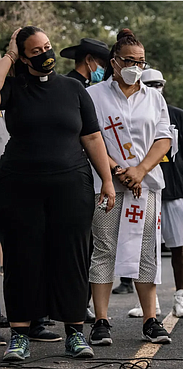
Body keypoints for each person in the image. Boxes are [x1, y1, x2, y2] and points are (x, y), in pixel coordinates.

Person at [0, 26, 116, 361]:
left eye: (47, 47)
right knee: (22, 258)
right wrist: (8, 56)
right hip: (19, 186)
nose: (45, 54)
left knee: (72, 257)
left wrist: (106, 180)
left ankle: (76, 333)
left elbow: (93, 137)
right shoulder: (14, 88)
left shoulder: (73, 89)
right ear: (23, 56)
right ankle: (20, 335)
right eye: (35, 51)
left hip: (71, 184)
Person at [86, 29, 173, 346]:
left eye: (141, 61)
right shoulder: (94, 95)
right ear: (115, 61)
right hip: (107, 184)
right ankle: (101, 320)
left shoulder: (154, 97)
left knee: (145, 251)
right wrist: (117, 169)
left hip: (144, 186)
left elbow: (163, 139)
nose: (135, 66)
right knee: (105, 249)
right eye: (129, 60)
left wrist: (139, 170)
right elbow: (89, 137)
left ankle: (150, 319)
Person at [125, 68, 183, 319]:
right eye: (150, 84)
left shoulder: (178, 115)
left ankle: (181, 296)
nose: (155, 88)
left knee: (179, 247)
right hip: (144, 188)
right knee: (143, 248)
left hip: (175, 190)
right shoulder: (133, 114)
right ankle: (149, 301)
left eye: (159, 83)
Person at [61, 37, 110, 324]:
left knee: (88, 245)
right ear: (90, 60)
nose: (102, 69)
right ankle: (73, 306)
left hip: (87, 172)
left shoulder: (89, 88)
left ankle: (81, 304)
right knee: (76, 246)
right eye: (102, 64)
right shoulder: (72, 86)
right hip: (72, 170)